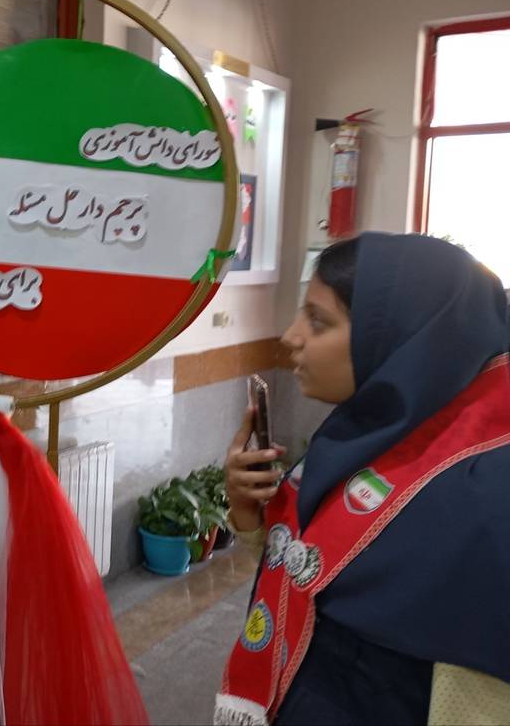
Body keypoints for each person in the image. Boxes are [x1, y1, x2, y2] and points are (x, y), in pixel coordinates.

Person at [217, 233, 510, 725]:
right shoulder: (367, 435)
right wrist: (247, 510)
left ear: (402, 339)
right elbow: (312, 575)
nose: (290, 337)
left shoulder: (485, 497)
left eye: (318, 321)